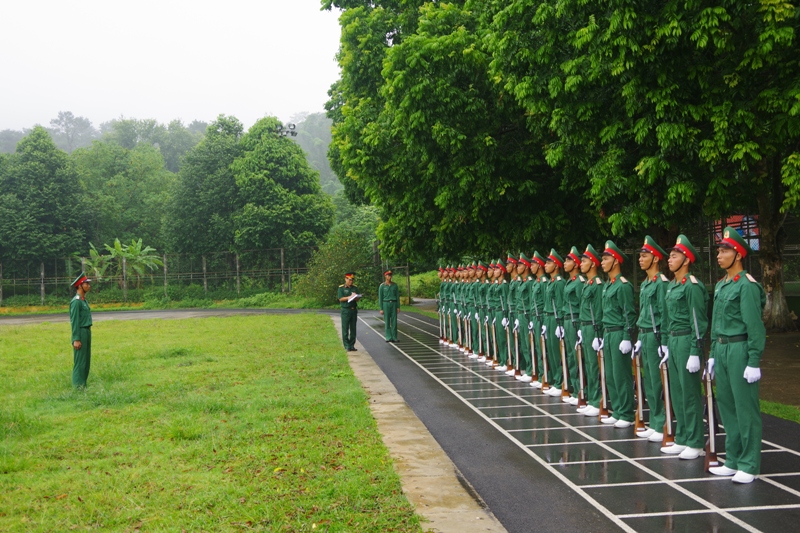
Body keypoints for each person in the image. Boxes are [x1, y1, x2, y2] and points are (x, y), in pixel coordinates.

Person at [708, 227, 766, 483]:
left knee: (745, 409)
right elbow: (714, 322)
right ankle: (732, 459)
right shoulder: (721, 285)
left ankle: (749, 463)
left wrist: (754, 360)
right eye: (719, 250)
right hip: (721, 348)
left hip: (740, 349)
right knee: (727, 407)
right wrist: (711, 353)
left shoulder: (747, 286)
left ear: (739, 254)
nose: (719, 255)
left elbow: (754, 326)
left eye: (724, 251)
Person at [661, 235, 709, 459]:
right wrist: (665, 343)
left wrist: (695, 352)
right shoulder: (671, 286)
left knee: (690, 394)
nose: (669, 260)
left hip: (686, 340)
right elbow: (667, 317)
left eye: (674, 256)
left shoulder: (692, 286)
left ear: (686, 260)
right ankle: (682, 436)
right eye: (669, 256)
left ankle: (696, 441)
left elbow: (698, 322)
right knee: (677, 393)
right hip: (673, 340)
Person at [634, 236, 670, 443]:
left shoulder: (661, 283)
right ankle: (655, 422)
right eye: (640, 255)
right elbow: (644, 314)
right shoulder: (647, 283)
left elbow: (664, 314)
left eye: (644, 255)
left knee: (658, 382)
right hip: (645, 335)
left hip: (656, 337)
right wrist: (639, 338)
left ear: (655, 259)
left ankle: (661, 423)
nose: (640, 259)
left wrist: (664, 341)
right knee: (649, 382)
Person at [600, 241, 637, 427]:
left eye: (605, 259)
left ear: (615, 261)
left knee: (621, 374)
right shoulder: (608, 286)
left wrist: (626, 337)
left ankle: (627, 413)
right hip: (608, 333)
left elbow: (628, 313)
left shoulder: (623, 286)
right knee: (611, 375)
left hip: (617, 333)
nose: (602, 262)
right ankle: (618, 409)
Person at [578, 244, 603, 417]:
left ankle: (598, 400)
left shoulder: (597, 285)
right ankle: (592, 399)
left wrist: (598, 334)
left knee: (595, 366)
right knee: (588, 364)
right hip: (585, 326)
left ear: (593, 263)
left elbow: (599, 311)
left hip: (594, 328)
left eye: (584, 261)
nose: (581, 263)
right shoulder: (587, 284)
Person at [562, 247, 585, 405]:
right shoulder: (569, 282)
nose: (565, 263)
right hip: (567, 320)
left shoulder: (579, 283)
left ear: (576, 264)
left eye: (568, 260)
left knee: (579, 358)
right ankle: (576, 389)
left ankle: (582, 391)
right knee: (570, 356)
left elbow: (583, 305)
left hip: (576, 320)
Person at [543, 249, 566, 397]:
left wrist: (560, 323)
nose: (545, 265)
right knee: (550, 350)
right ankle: (555, 381)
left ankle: (560, 382)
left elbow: (560, 304)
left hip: (556, 318)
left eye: (549, 263)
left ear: (556, 265)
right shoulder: (551, 283)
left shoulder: (558, 283)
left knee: (558, 353)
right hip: (548, 317)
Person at [69, 272, 93, 388]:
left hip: (87, 331)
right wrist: (76, 339)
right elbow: (75, 322)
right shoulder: (76, 302)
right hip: (81, 332)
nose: (89, 286)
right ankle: (78, 386)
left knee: (86, 360)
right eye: (86, 284)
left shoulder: (83, 300)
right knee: (80, 361)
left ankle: (83, 384)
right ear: (80, 286)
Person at [338, 272, 361, 351]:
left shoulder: (354, 288)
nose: (351, 281)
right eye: (350, 280)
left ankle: (352, 345)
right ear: (346, 279)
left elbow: (358, 298)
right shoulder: (341, 288)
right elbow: (340, 298)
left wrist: (356, 297)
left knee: (353, 328)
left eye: (352, 280)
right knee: (345, 328)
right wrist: (349, 297)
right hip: (345, 310)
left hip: (353, 309)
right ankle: (347, 345)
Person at [378, 269, 400, 342]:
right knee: (387, 321)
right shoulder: (382, 286)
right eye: (388, 275)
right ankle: (388, 336)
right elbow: (380, 298)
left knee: (394, 321)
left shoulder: (395, 285)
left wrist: (398, 306)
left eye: (390, 275)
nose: (390, 277)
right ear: (385, 276)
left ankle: (394, 337)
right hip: (386, 303)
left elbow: (397, 297)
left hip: (393, 303)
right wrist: (381, 308)